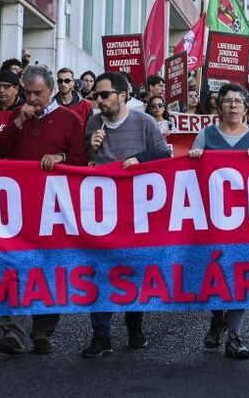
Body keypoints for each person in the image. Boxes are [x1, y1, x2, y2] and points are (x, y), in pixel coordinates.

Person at [0, 65, 88, 355]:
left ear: (51, 91)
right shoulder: (17, 117)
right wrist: (17, 123)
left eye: (38, 93)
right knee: (14, 266)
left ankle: (43, 330)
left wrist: (60, 157)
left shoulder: (69, 120)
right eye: (28, 92)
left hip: (53, 209)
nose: (32, 99)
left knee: (49, 269)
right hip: (19, 207)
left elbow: (80, 160)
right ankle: (13, 331)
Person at [82, 72, 171, 358]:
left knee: (134, 271)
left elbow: (164, 156)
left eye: (104, 94)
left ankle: (135, 327)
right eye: (96, 95)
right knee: (99, 271)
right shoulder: (94, 122)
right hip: (102, 212)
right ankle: (101, 335)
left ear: (122, 96)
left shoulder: (144, 122)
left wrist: (139, 160)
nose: (99, 99)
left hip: (136, 212)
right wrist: (90, 148)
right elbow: (83, 162)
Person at [189, 83, 249, 360]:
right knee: (217, 272)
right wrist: (194, 158)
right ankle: (218, 318)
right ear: (219, 107)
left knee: (241, 275)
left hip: (247, 220)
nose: (233, 106)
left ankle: (235, 336)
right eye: (228, 101)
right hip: (214, 219)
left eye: (238, 101)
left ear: (246, 107)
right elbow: (189, 174)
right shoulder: (205, 135)